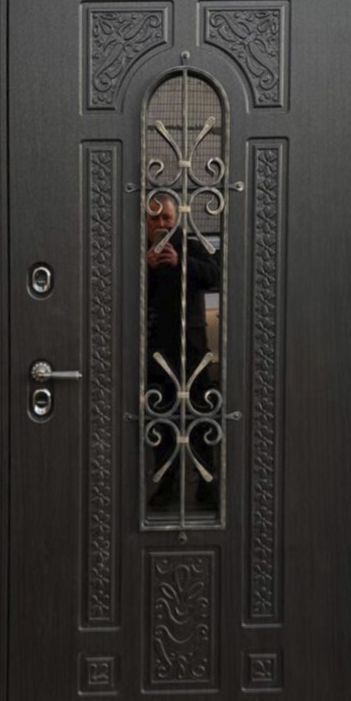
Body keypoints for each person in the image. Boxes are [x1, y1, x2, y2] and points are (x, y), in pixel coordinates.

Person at [146, 193, 220, 508]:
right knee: (160, 417)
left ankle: (207, 484)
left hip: (192, 346)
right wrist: (145, 267)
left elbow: (216, 277)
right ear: (146, 222)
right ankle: (166, 485)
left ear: (177, 218)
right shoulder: (137, 251)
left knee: (200, 414)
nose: (162, 223)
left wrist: (181, 263)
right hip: (156, 345)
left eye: (167, 217)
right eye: (155, 217)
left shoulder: (191, 245)